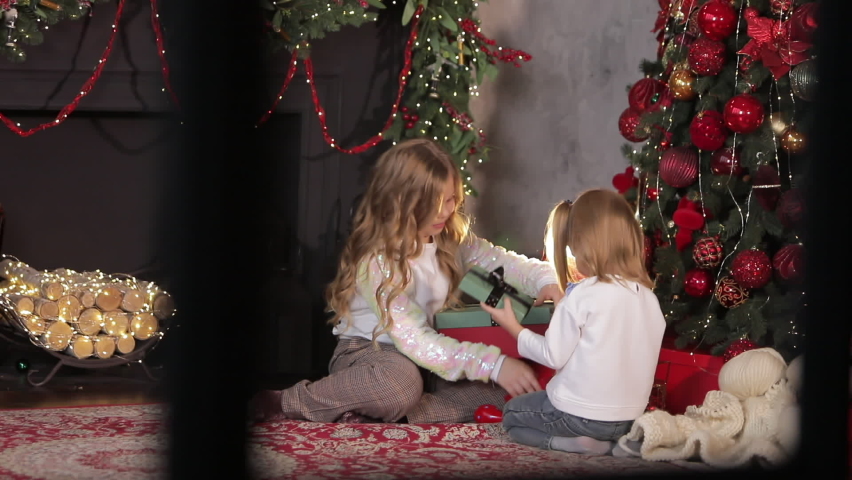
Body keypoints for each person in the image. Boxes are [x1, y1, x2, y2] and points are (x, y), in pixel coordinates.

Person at [251, 138, 563, 424]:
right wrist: (491, 363)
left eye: (452, 199)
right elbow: (413, 339)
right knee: (400, 383)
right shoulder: (378, 260)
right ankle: (287, 402)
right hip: (370, 356)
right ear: (402, 201)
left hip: (428, 359)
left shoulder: (448, 239)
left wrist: (545, 281)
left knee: (510, 387)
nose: (447, 211)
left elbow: (502, 262)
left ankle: (386, 414)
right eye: (436, 203)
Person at [481, 188, 665, 455]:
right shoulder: (649, 299)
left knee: (512, 414)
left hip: (578, 417)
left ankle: (570, 443)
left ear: (581, 245)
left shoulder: (581, 294)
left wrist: (514, 328)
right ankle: (620, 442)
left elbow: (553, 356)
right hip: (628, 418)